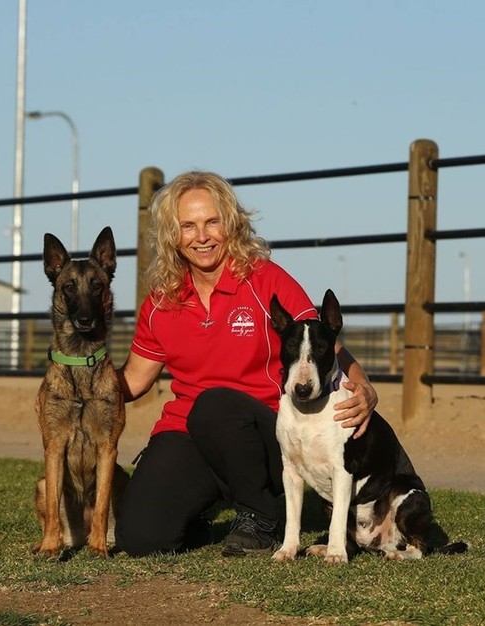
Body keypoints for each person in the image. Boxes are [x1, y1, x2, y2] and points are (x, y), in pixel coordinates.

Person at [114, 170, 377, 557]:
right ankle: (205, 506)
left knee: (214, 405)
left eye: (211, 222)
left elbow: (322, 344)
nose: (201, 236)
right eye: (187, 226)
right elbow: (132, 382)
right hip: (190, 430)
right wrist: (76, 373)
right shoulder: (160, 301)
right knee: (139, 539)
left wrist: (364, 386)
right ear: (172, 234)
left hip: (266, 434)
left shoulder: (265, 280)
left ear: (231, 224)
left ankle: (263, 518)